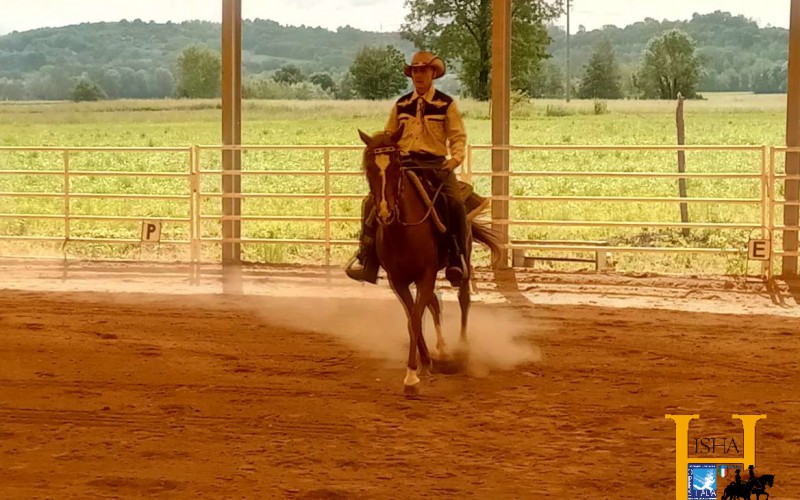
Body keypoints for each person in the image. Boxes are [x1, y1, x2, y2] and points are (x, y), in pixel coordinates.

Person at [345, 50, 469, 286]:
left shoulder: (446, 104)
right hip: (404, 164)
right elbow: (390, 135)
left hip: (436, 165)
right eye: (415, 71)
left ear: (433, 73)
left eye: (423, 70)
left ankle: (457, 257)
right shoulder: (401, 105)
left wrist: (455, 160)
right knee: (371, 202)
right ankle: (367, 257)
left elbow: (457, 136)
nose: (418, 75)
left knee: (455, 203)